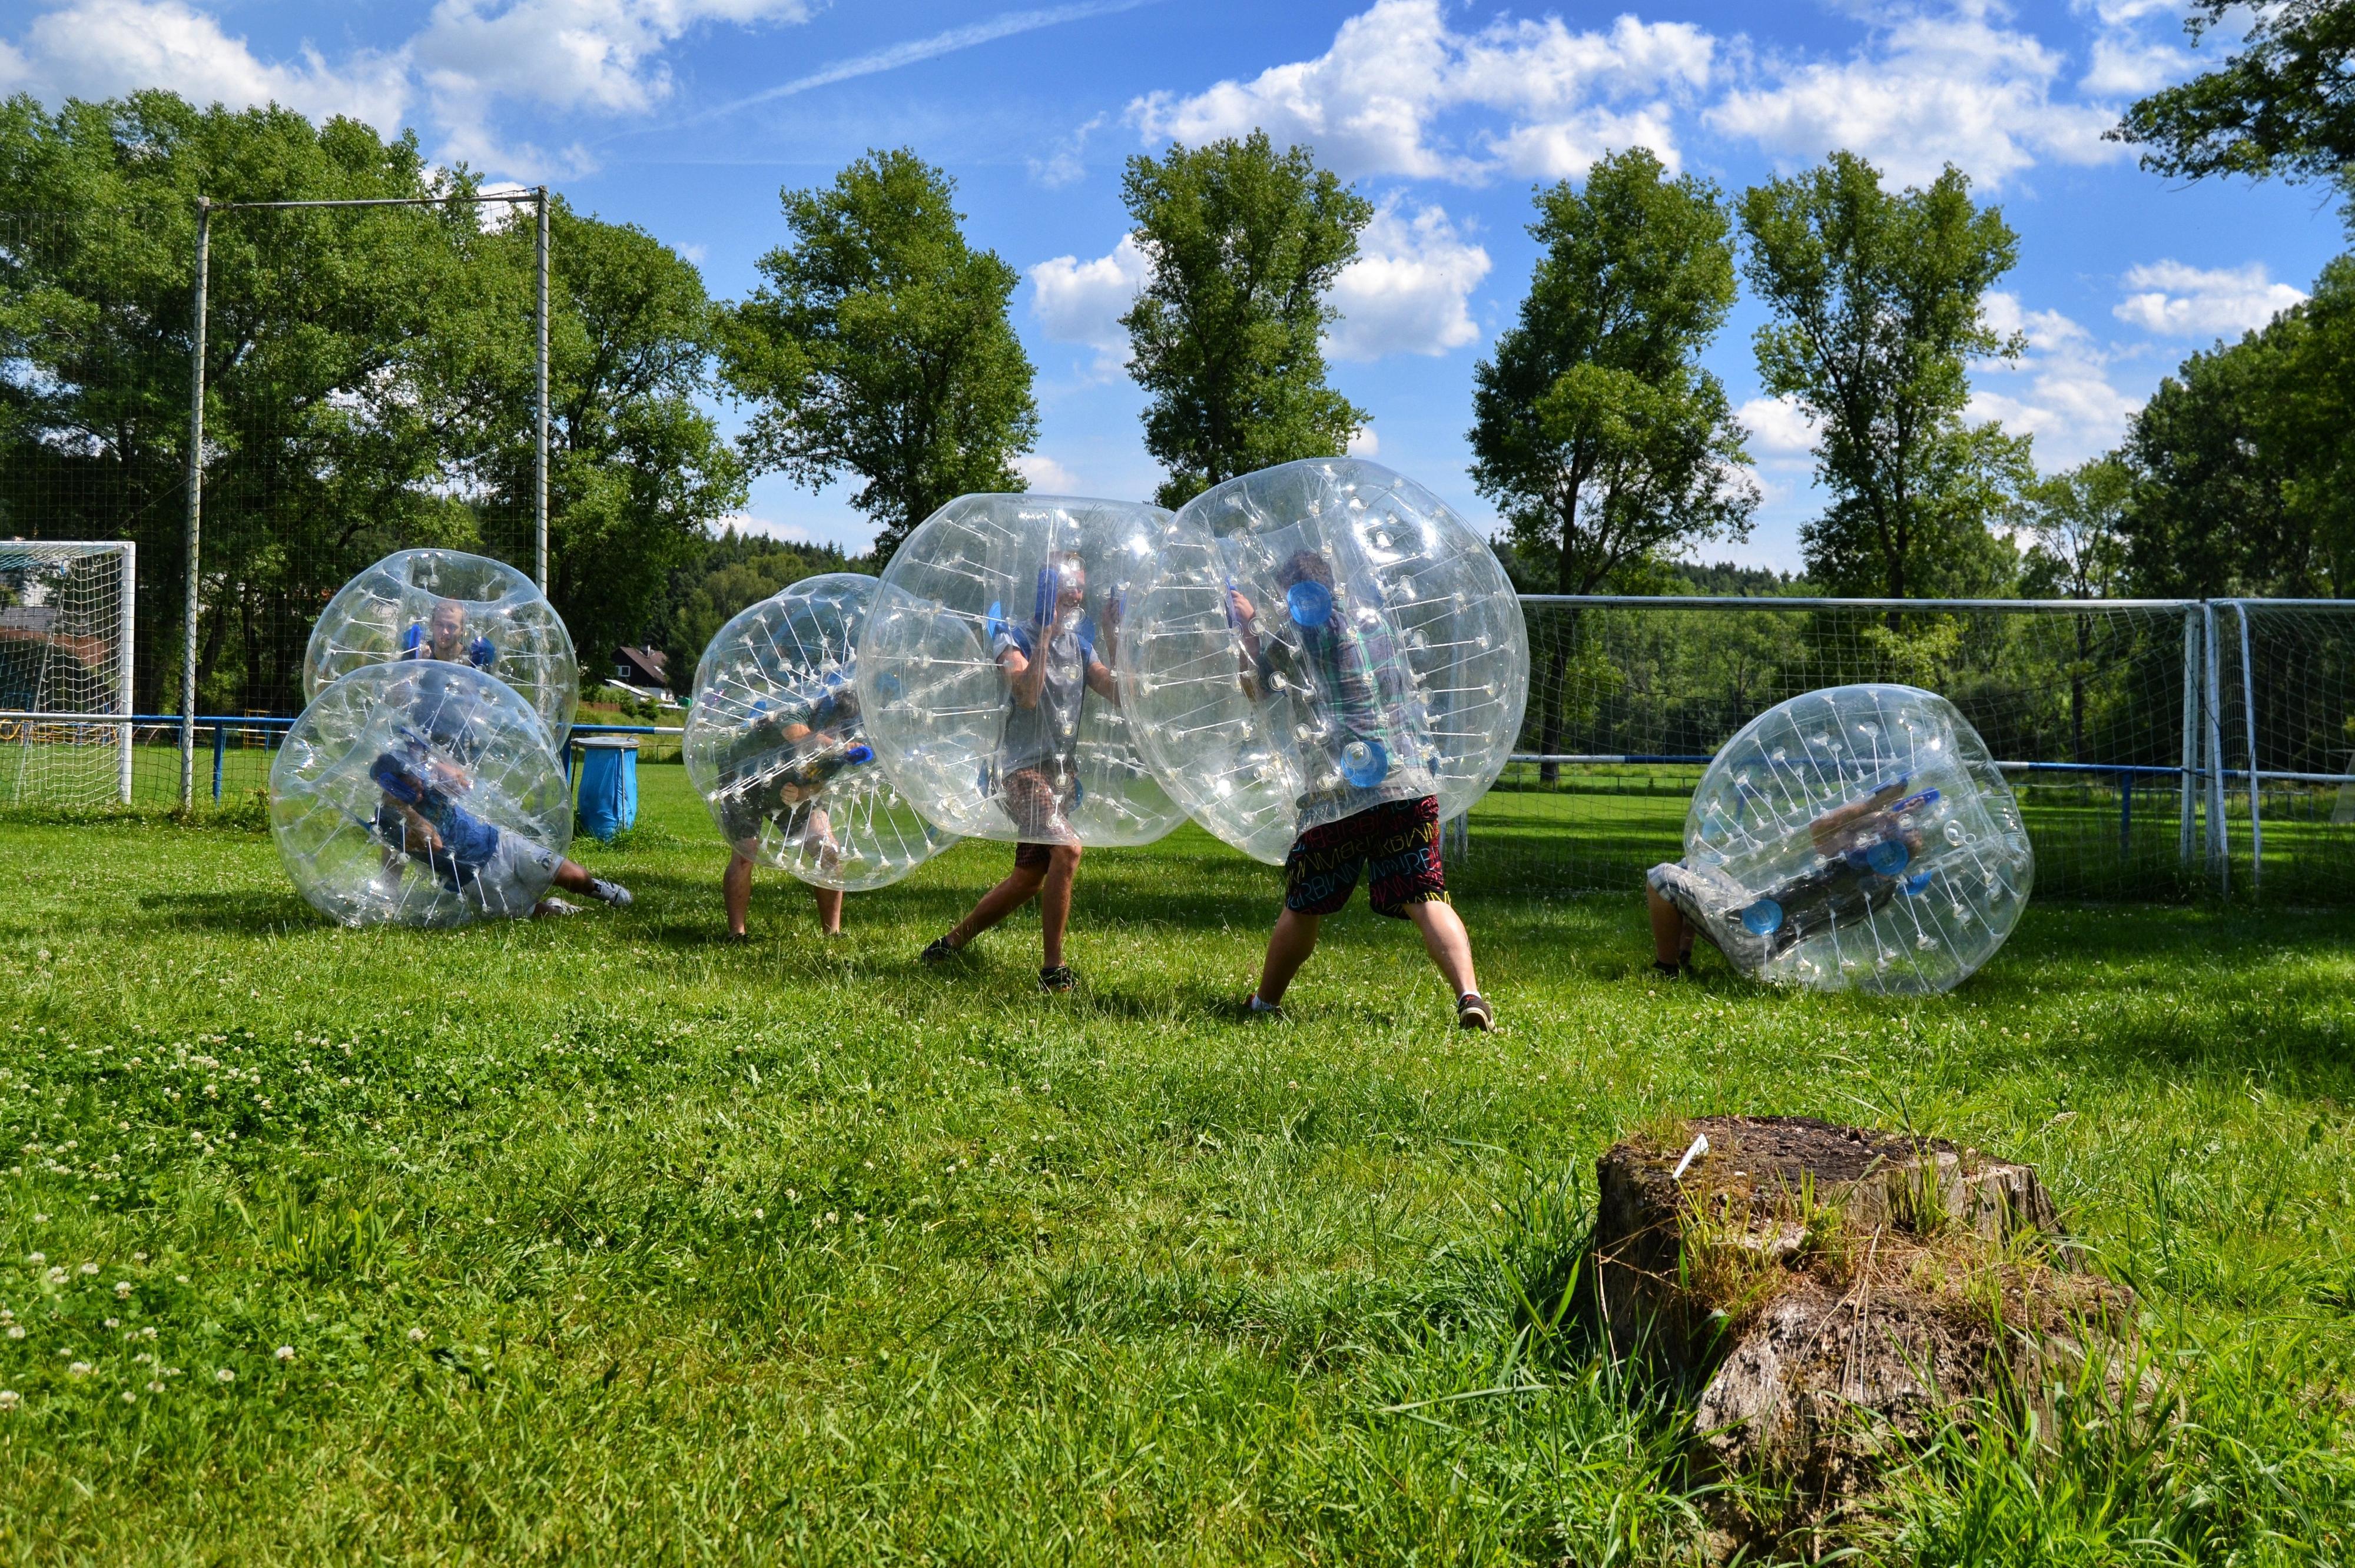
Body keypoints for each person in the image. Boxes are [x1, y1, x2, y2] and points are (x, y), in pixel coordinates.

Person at [1231, 549, 1494, 1031]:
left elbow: (1255, 688)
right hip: (1406, 782)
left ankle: (1266, 1004)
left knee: (1304, 904)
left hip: (1338, 795)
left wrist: (1248, 628)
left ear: (1295, 595)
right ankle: (1470, 994)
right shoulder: (1375, 622)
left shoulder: (1293, 638)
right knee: (1427, 896)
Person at [920, 552, 1116, 993]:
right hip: (1018, 773)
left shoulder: (1082, 648)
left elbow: (1122, 694)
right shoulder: (1013, 639)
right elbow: (1026, 695)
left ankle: (950, 944)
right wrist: (1045, 635)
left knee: (1028, 880)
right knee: (1067, 851)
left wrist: (1113, 635)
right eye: (1064, 585)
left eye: (1079, 587)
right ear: (1043, 587)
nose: (1074, 594)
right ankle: (1053, 970)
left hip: (1062, 777)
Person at [1646, 778, 1940, 977]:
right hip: (1756, 914)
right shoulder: (1866, 872)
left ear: (1886, 855)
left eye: (1884, 834)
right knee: (1690, 865)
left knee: (1663, 879)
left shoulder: (1861, 876)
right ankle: (1682, 958)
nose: (1869, 834)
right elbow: (1833, 832)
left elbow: (1825, 826)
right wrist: (1889, 820)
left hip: (1755, 938)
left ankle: (1666, 969)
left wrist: (1880, 805)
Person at [369, 725, 631, 919]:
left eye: (417, 779)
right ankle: (560, 910)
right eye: (411, 786)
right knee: (543, 916)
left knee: (575, 876)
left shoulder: (430, 782)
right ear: (393, 787)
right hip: (476, 878)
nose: (421, 790)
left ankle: (599, 890)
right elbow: (432, 844)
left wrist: (431, 764)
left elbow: (464, 783)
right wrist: (403, 808)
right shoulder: (392, 817)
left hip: (501, 841)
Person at [715, 678, 873, 939]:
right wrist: (839, 746)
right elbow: (799, 738)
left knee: (828, 851)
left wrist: (803, 793)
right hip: (745, 781)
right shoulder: (797, 706)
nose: (837, 732)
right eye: (833, 725)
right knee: (746, 853)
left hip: (794, 790)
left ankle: (833, 932)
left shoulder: (848, 740)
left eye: (844, 728)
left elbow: (822, 783)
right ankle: (737, 934)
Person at [402, 599, 496, 670]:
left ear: (462, 629)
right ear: (431, 625)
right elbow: (399, 692)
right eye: (439, 625)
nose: (445, 632)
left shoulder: (473, 661)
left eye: (452, 627)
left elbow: (484, 693)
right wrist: (417, 665)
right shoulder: (418, 652)